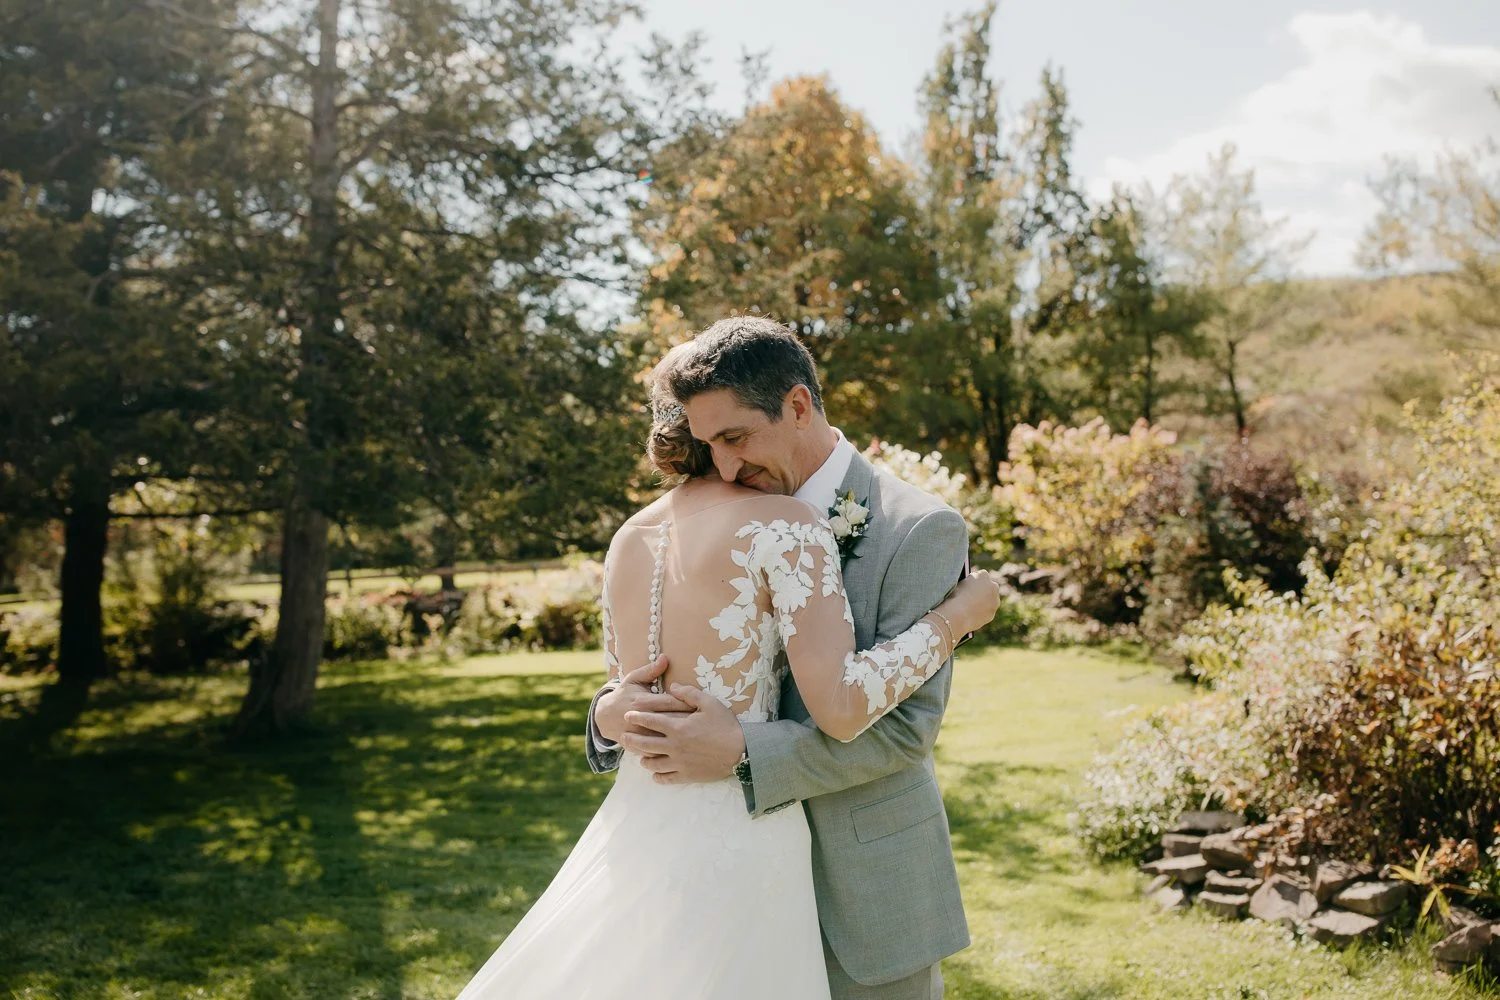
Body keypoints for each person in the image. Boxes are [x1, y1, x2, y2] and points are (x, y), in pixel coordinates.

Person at [454, 317, 999, 1000]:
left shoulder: (916, 528)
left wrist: (742, 750)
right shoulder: (699, 522)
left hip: (864, 899)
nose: (729, 466)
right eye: (711, 444)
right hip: (715, 883)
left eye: (737, 439)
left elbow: (904, 732)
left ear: (797, 406)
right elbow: (638, 679)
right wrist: (609, 711)